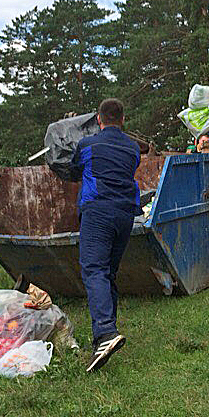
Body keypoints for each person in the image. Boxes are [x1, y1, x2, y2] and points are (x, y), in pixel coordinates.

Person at [66, 98, 142, 371]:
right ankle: (108, 333)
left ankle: (105, 333)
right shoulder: (133, 149)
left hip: (98, 212)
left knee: (94, 270)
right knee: (107, 272)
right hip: (124, 216)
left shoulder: (88, 145)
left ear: (99, 119)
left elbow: (74, 170)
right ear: (123, 120)